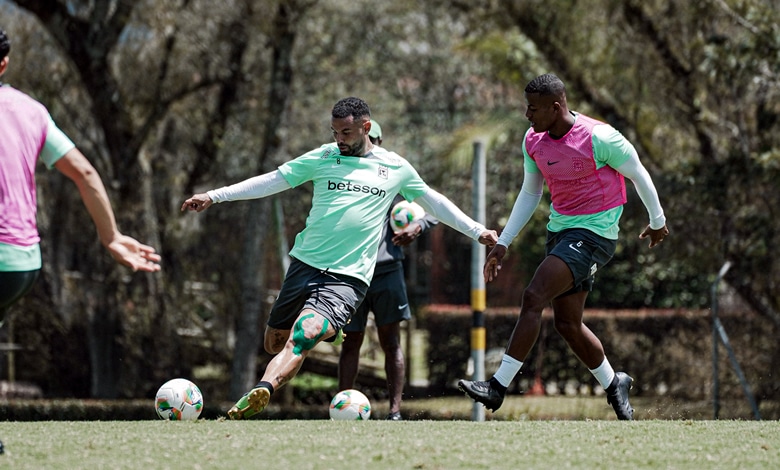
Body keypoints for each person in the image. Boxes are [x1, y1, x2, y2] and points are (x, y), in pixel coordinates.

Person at [182, 97, 497, 419]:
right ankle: (329, 330)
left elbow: (435, 202)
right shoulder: (323, 156)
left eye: (346, 132)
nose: (339, 139)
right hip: (304, 264)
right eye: (335, 132)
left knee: (301, 337)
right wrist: (215, 195)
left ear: (366, 128)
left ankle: (264, 387)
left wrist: (476, 231)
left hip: (349, 276)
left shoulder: (394, 168)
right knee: (273, 342)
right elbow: (273, 180)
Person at [458, 73, 669, 420]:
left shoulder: (599, 137)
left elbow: (638, 173)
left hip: (595, 235)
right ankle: (614, 382)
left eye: (534, 108)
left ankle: (497, 387)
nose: (528, 115)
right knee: (567, 324)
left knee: (533, 296)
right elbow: (530, 193)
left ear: (556, 108)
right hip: (560, 232)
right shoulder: (533, 140)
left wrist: (658, 221)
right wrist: (504, 242)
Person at [0, 28, 161, 323]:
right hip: (22, 263)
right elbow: (85, 172)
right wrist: (111, 236)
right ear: (3, 64)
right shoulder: (33, 111)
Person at [337, 120, 438, 421]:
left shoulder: (395, 175)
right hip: (352, 271)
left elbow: (434, 209)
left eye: (377, 141)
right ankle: (342, 406)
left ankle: (395, 411)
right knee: (351, 340)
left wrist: (417, 226)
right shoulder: (346, 175)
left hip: (387, 270)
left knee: (390, 341)